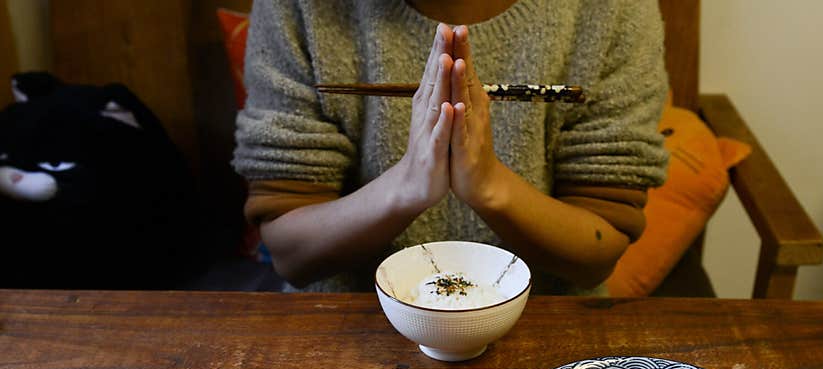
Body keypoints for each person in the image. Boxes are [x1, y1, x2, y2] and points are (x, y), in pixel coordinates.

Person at [233, 0, 669, 294]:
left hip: (550, 349)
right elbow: (291, 252)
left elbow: (600, 245)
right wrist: (405, 188)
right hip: (344, 334)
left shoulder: (612, 9)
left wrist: (490, 187)